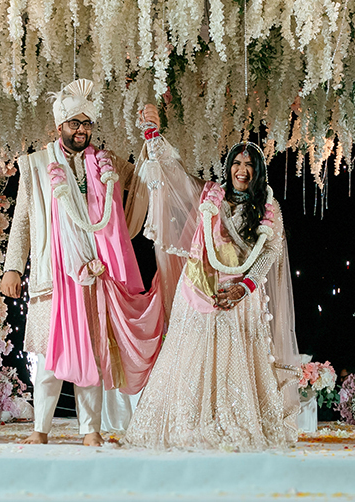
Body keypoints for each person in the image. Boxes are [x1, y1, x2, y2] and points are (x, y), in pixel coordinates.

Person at [122, 104, 300, 451]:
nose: (242, 170)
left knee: (235, 363)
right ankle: (188, 422)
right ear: (228, 167)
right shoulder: (210, 197)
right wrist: (153, 137)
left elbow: (271, 252)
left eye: (249, 165)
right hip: (201, 290)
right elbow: (173, 175)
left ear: (259, 171)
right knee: (191, 359)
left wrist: (245, 287)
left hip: (239, 296)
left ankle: (235, 420)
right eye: (237, 163)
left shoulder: (268, 208)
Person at [0, 79, 162, 446]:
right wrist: (12, 268)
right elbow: (22, 220)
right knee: (49, 359)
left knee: (93, 353)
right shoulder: (36, 166)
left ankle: (91, 430)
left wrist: (149, 140)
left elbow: (139, 187)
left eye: (87, 124)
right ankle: (40, 430)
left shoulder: (107, 164)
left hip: (94, 274)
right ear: (60, 127)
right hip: (53, 276)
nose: (82, 131)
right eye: (75, 124)